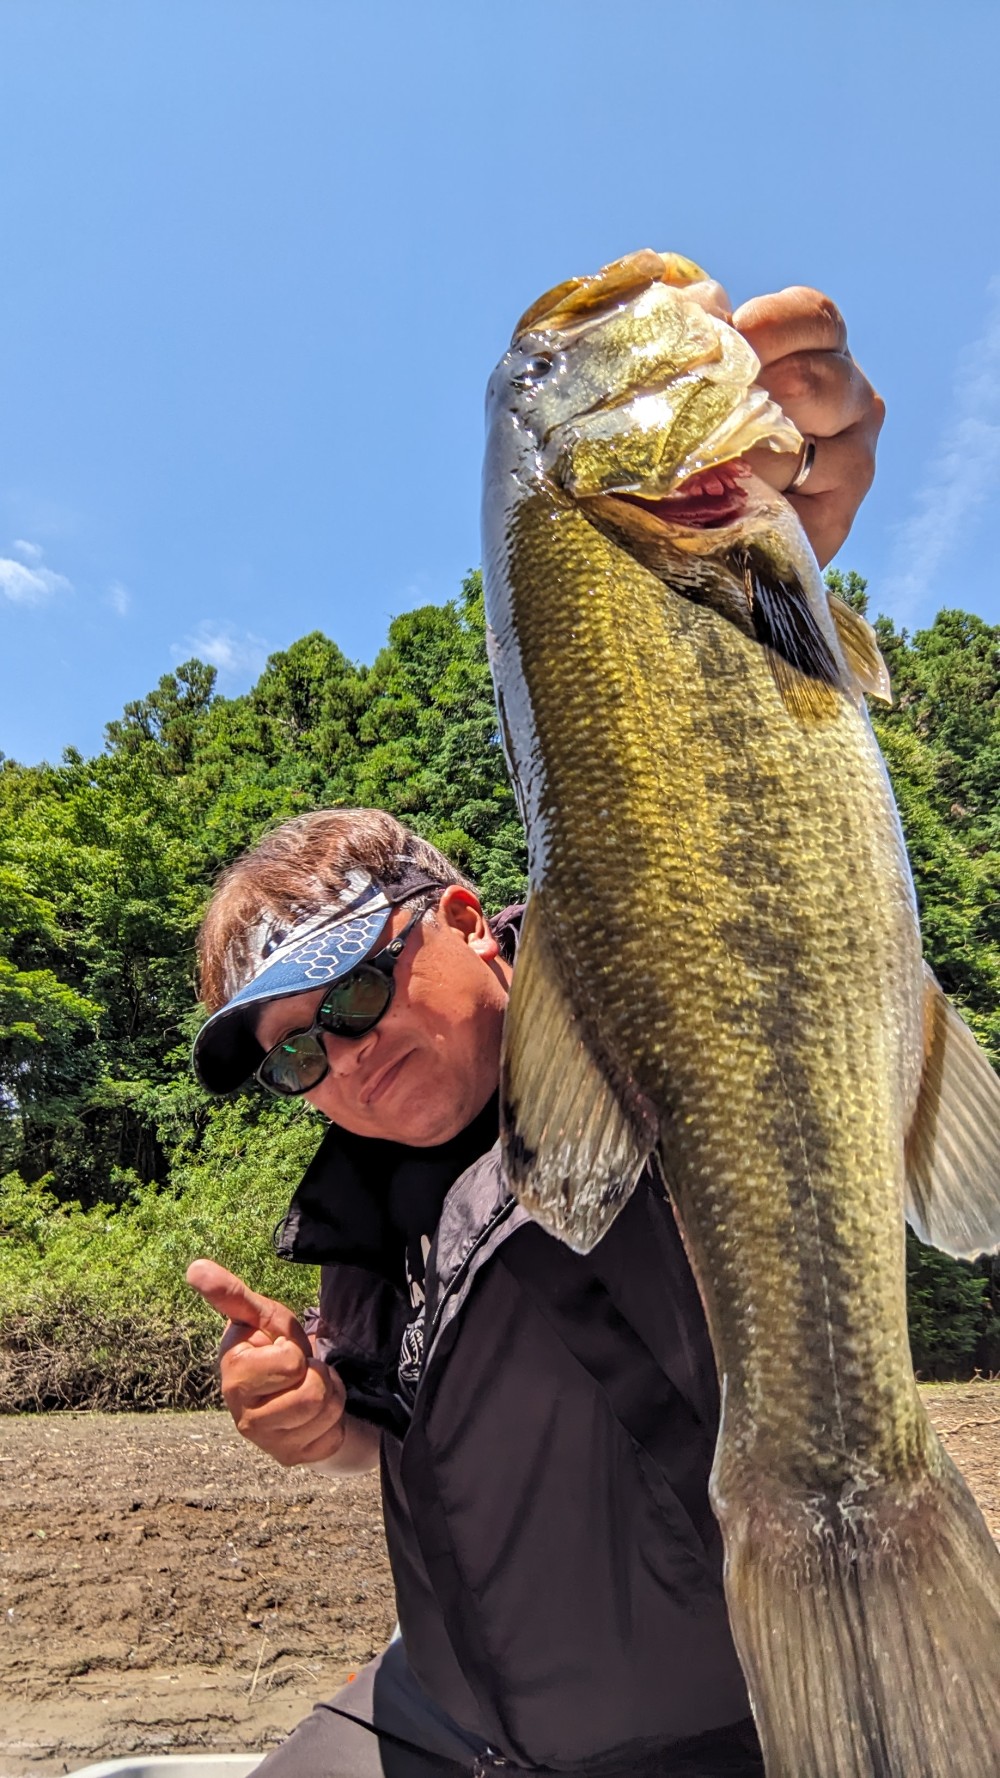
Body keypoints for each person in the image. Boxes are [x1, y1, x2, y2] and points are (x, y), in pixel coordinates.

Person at [187, 284, 884, 1778]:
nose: (341, 1060)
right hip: (443, 1718)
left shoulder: (635, 1028)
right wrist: (320, 1412)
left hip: (712, 1736)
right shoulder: (367, 1209)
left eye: (353, 993)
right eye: (293, 1053)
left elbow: (711, 843)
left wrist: (767, 555)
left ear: (463, 920)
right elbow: (413, 1429)